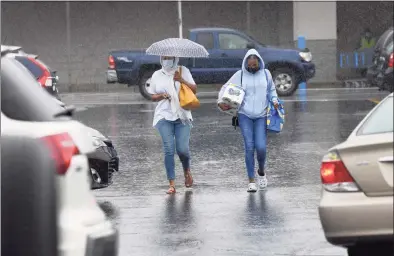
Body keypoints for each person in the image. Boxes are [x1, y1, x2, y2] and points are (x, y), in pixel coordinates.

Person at [217, 49, 278, 192]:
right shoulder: (240, 75)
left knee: (261, 148)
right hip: (245, 115)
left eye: (254, 65)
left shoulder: (266, 74)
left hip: (261, 116)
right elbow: (225, 88)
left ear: (259, 62)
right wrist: (221, 102)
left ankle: (261, 172)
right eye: (249, 65)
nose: (252, 67)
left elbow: (271, 91)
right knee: (249, 146)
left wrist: (274, 100)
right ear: (245, 63)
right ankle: (251, 181)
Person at [147, 56, 197, 194]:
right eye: (164, 57)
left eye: (169, 57)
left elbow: (194, 89)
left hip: (182, 116)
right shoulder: (157, 74)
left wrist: (181, 80)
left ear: (175, 58)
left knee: (182, 150)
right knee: (169, 149)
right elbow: (152, 96)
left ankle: (187, 170)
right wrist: (163, 95)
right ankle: (172, 184)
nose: (166, 60)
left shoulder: (183, 70)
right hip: (163, 116)